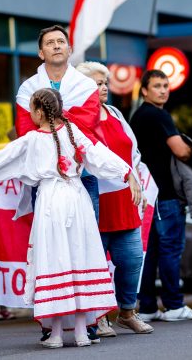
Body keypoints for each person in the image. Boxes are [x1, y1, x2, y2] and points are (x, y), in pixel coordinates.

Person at [0, 88, 141, 348]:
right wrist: (127, 172)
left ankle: (56, 333)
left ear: (38, 112)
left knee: (54, 261)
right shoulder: (73, 133)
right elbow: (99, 156)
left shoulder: (33, 140)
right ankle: (82, 331)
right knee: (78, 258)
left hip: (51, 202)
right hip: (77, 199)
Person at [16, 25, 103, 342]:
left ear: (69, 48)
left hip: (82, 178)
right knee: (49, 251)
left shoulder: (84, 85)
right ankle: (49, 323)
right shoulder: (28, 88)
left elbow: (87, 124)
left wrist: (50, 119)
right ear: (40, 52)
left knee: (85, 247)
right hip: (47, 183)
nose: (56, 46)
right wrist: (62, 121)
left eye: (60, 41)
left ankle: (89, 321)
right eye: (49, 43)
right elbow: (26, 128)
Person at [76, 61, 152, 336]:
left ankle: (127, 312)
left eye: (104, 82)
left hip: (123, 197)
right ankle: (100, 316)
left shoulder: (116, 114)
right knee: (96, 263)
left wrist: (138, 186)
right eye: (97, 83)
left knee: (132, 259)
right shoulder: (75, 119)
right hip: (94, 198)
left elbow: (134, 152)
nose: (104, 87)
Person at [129, 69, 192, 322]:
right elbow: (181, 151)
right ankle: (175, 305)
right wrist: (189, 148)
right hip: (164, 195)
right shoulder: (157, 114)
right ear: (144, 91)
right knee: (171, 250)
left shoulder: (139, 115)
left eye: (166, 85)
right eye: (157, 86)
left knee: (150, 253)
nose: (163, 90)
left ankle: (149, 308)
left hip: (148, 196)